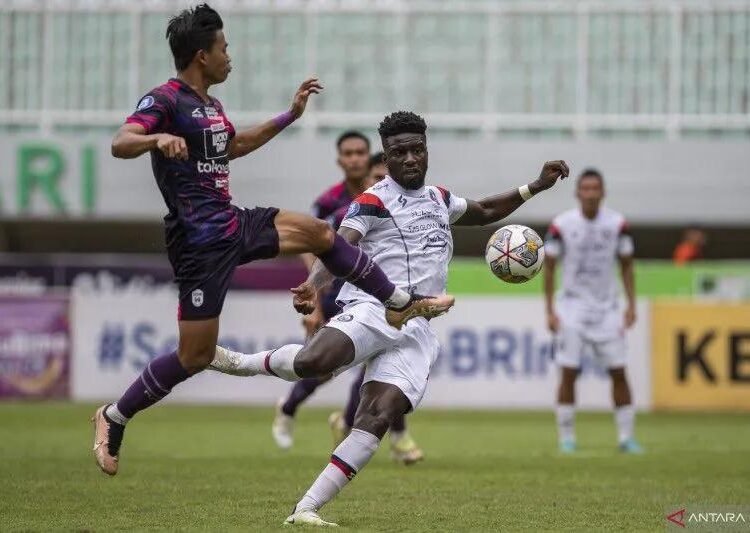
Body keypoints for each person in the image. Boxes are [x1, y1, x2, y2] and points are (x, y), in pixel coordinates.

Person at [90, 5, 452, 477]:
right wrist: (156, 140)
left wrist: (289, 114)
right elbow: (121, 141)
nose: (229, 56)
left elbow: (234, 146)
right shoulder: (165, 99)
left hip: (232, 222)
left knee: (322, 232)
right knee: (194, 356)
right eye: (224, 47)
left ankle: (398, 301)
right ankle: (114, 415)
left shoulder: (212, 108)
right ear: (202, 55)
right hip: (198, 244)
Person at [209, 111, 568, 526]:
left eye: (418, 149)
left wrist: (536, 186)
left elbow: (485, 209)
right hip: (374, 308)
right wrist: (314, 283)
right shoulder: (372, 201)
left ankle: (306, 509)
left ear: (427, 150)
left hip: (417, 329)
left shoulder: (439, 198)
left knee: (376, 418)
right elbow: (340, 247)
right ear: (388, 157)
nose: (411, 158)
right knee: (313, 363)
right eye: (400, 152)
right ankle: (239, 363)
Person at [272, 140, 423, 464]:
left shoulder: (404, 207)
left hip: (377, 296)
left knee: (381, 364)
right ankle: (289, 407)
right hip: (336, 295)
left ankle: (397, 438)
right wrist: (314, 297)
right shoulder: (340, 207)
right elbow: (309, 240)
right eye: (377, 176)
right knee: (323, 368)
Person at [544, 168, 643, 455]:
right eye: (585, 189)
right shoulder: (562, 225)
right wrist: (550, 310)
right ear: (577, 193)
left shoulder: (617, 224)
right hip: (572, 308)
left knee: (619, 372)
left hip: (608, 309)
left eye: (594, 188)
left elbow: (626, 265)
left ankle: (626, 438)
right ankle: (567, 439)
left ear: (602, 192)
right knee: (569, 372)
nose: (590, 193)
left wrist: (631, 305)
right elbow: (549, 269)